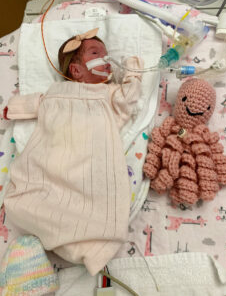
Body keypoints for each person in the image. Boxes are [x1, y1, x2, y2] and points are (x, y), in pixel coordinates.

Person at [3, 28, 143, 276]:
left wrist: (133, 70)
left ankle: (79, 240)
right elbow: (36, 102)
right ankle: (52, 235)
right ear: (75, 71)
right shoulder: (56, 92)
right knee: (32, 190)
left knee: (94, 192)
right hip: (52, 153)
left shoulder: (109, 93)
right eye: (95, 52)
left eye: (107, 53)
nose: (106, 58)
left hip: (90, 159)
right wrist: (12, 109)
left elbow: (129, 96)